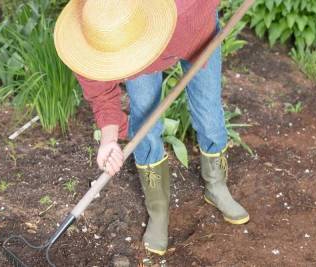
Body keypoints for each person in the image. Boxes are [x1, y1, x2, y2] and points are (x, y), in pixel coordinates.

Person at [54, 0, 249, 256]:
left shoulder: (189, 9)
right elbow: (101, 95)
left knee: (209, 112)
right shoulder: (91, 30)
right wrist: (109, 140)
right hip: (138, 47)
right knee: (145, 124)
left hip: (197, 35)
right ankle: (158, 209)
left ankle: (216, 186)